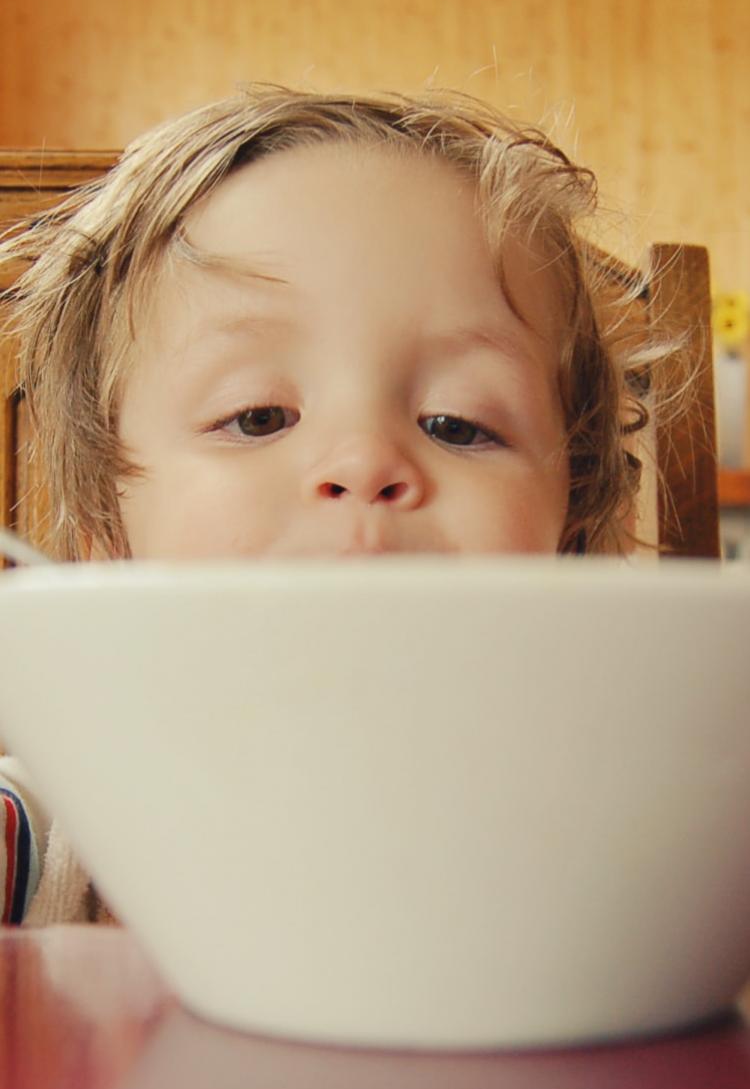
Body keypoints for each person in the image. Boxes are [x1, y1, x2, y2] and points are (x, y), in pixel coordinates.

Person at [0, 83, 675, 926]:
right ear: (107, 519)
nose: (365, 462)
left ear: (570, 520)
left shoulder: (651, 830)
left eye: (456, 424)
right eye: (258, 417)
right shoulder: (47, 823)